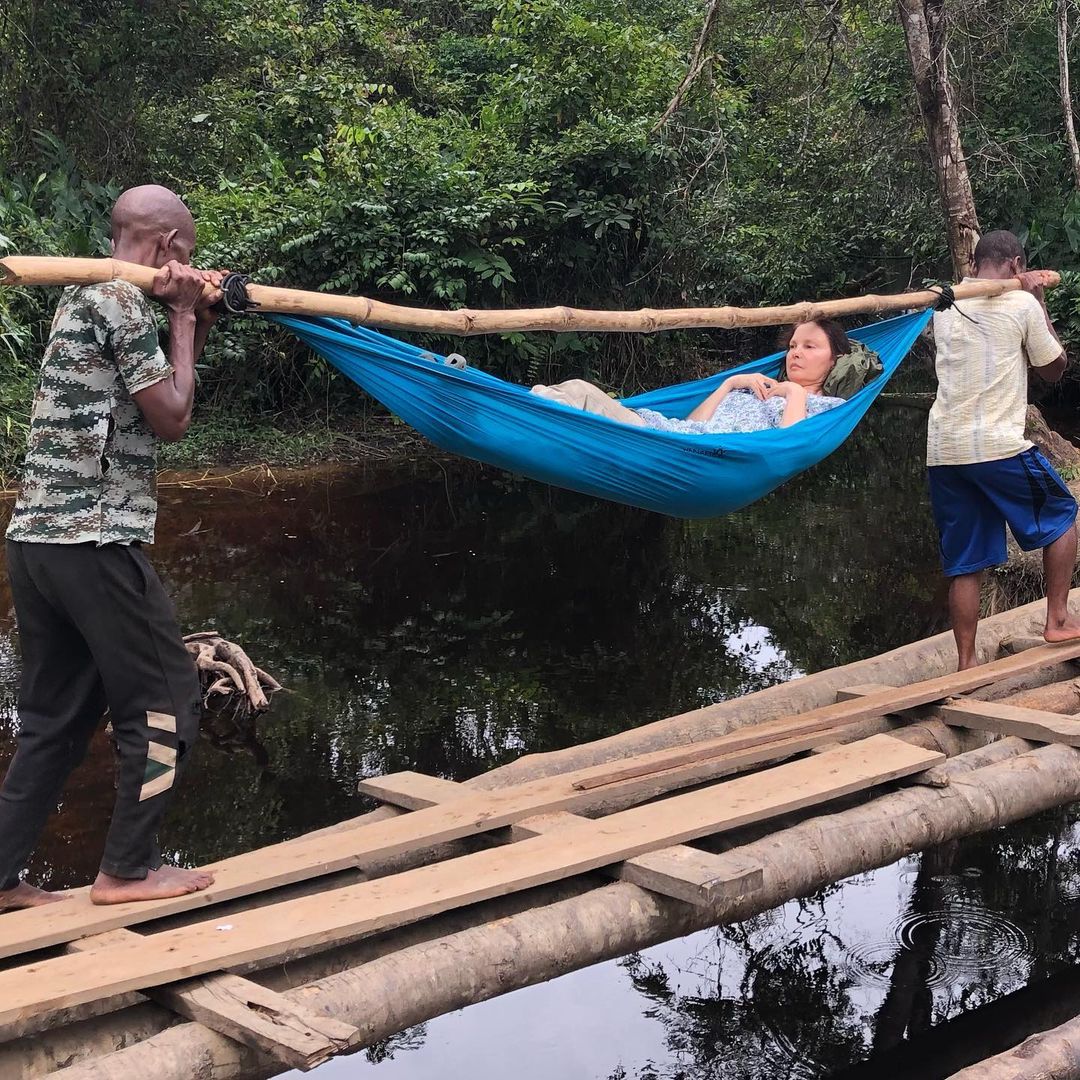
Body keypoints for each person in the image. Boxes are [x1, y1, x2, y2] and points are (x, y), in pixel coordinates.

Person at [0, 185, 225, 909]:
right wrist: (183, 315)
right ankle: (128, 869)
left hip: (37, 542)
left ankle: (0, 881)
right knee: (168, 697)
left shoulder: (86, 296)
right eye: (185, 257)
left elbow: (156, 382)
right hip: (92, 538)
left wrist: (195, 318)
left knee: (55, 717)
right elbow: (172, 418)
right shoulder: (126, 304)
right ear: (168, 249)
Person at [927, 230, 1080, 670]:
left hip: (944, 451)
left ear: (975, 265)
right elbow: (1054, 370)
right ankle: (1056, 619)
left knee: (965, 561)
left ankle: (966, 661)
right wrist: (1039, 301)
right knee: (1063, 516)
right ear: (1016, 266)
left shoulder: (946, 304)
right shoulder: (1020, 303)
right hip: (996, 445)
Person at [530, 319, 855, 434]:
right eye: (793, 345)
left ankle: (522, 413)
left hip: (694, 454)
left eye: (810, 346)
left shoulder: (829, 407)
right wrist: (731, 383)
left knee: (578, 392)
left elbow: (791, 442)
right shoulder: (756, 386)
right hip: (671, 435)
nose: (795, 352)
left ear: (835, 359)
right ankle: (518, 410)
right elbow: (694, 423)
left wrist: (792, 392)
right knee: (576, 392)